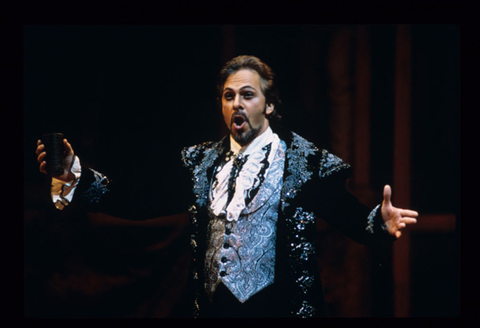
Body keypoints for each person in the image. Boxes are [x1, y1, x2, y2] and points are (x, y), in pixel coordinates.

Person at [35, 55, 418, 318]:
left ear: (268, 105)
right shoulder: (200, 162)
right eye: (229, 95)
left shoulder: (304, 161)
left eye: (248, 95)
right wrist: (76, 174)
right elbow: (141, 200)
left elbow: (349, 216)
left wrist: (378, 223)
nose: (237, 103)